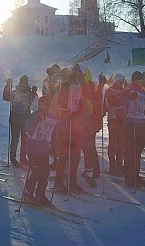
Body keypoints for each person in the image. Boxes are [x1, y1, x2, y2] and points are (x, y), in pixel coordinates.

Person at [53, 65, 85, 194]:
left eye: (79, 73)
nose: (78, 75)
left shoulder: (79, 86)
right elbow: (60, 102)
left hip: (76, 124)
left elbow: (80, 103)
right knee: (64, 155)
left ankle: (72, 182)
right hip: (65, 124)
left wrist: (80, 112)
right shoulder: (66, 86)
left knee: (76, 155)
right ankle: (59, 182)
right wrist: (68, 112)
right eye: (76, 73)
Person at [23, 96, 57, 206]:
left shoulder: (51, 116)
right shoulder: (35, 115)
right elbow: (26, 128)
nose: (44, 106)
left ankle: (40, 194)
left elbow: (53, 129)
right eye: (42, 104)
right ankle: (28, 191)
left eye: (46, 104)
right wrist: (36, 120)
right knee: (37, 172)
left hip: (43, 148)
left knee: (45, 172)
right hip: (33, 148)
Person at [3, 75, 35, 168]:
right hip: (15, 119)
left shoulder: (29, 92)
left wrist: (33, 92)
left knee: (25, 140)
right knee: (15, 139)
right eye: (22, 82)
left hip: (25, 118)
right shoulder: (15, 92)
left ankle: (23, 157)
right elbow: (6, 97)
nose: (24, 85)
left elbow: (32, 103)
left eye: (25, 82)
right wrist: (7, 85)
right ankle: (13, 158)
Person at [124, 71, 145, 188]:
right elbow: (123, 100)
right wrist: (129, 98)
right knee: (130, 151)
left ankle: (136, 175)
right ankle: (129, 176)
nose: (140, 83)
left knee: (138, 151)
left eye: (141, 81)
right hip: (131, 122)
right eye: (137, 81)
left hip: (141, 122)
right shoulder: (129, 90)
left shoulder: (143, 91)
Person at [80, 69, 103, 186]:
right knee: (90, 148)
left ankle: (92, 171)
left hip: (86, 122)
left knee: (87, 148)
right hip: (92, 121)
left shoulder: (84, 87)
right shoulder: (92, 86)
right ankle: (94, 170)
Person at [104, 73, 129, 176]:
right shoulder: (110, 90)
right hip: (113, 118)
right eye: (121, 80)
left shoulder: (124, 90)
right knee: (113, 143)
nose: (122, 82)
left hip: (122, 118)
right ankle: (112, 165)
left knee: (121, 143)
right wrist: (121, 95)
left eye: (123, 80)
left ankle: (119, 164)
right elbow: (111, 102)